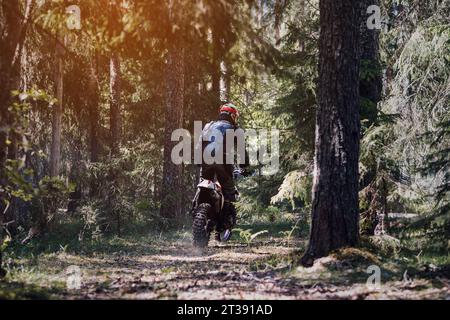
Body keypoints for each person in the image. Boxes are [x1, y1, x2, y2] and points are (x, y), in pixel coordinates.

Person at [198, 102, 249, 238]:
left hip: (205, 160)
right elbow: (242, 151)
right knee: (229, 192)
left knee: (203, 183)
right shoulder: (233, 128)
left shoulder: (208, 126)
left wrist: (198, 162)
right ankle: (223, 226)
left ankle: (196, 209)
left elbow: (199, 144)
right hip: (223, 162)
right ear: (232, 115)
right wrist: (244, 167)